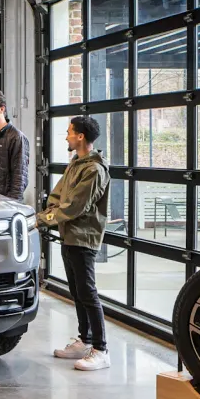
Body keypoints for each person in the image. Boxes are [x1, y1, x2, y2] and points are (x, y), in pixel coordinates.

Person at [38, 116, 112, 372]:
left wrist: (42, 220)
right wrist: (49, 213)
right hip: (69, 235)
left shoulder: (94, 170)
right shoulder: (76, 164)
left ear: (80, 136)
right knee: (78, 292)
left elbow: (75, 206)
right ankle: (85, 340)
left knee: (88, 293)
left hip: (84, 238)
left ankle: (101, 350)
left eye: (69, 132)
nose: (66, 136)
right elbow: (58, 195)